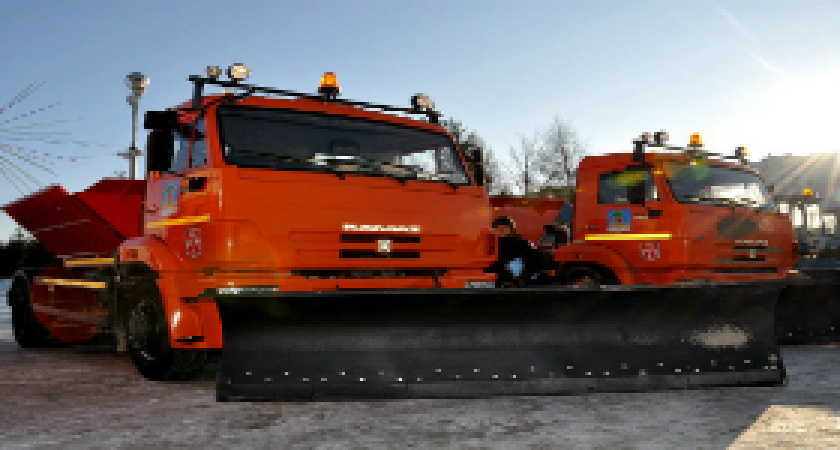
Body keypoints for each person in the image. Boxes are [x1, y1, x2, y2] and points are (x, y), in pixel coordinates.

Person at [487, 216, 550, 287]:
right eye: (498, 228)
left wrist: (524, 277)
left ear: (511, 229)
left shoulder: (521, 243)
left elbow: (534, 260)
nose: (501, 230)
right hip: (503, 281)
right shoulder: (491, 246)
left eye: (504, 228)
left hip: (519, 281)